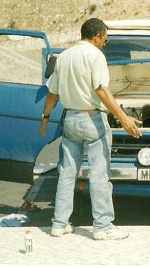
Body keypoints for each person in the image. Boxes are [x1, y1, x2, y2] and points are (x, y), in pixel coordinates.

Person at [40, 18, 142, 241]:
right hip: (92, 119)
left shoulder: (64, 56)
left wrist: (45, 117)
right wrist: (123, 117)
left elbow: (52, 93)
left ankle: (59, 224)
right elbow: (101, 90)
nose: (105, 42)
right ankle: (103, 226)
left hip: (70, 119)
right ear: (96, 36)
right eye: (104, 38)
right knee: (99, 175)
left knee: (66, 173)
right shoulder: (96, 56)